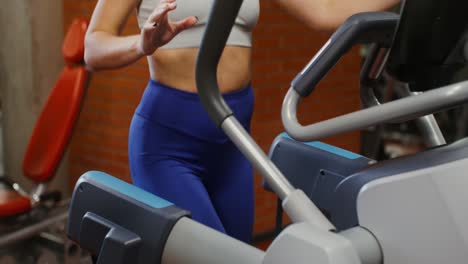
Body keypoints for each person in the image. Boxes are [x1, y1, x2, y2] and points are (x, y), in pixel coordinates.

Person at [84, 0, 399, 243]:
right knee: (206, 256)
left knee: (237, 251)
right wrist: (142, 44)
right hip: (167, 148)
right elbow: (94, 47)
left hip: (232, 142)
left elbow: (326, 10)